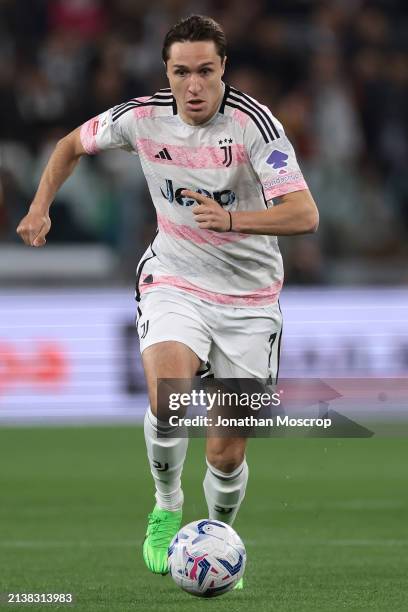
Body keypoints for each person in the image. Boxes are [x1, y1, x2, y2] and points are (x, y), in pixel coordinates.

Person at [16, 15, 318, 586]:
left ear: (223, 68)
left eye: (206, 71)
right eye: (182, 72)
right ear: (167, 72)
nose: (194, 85)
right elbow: (68, 145)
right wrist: (39, 206)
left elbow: (305, 215)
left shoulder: (256, 126)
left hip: (250, 300)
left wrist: (233, 219)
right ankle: (165, 503)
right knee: (168, 396)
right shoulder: (141, 117)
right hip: (174, 278)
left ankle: (219, 533)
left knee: (227, 452)